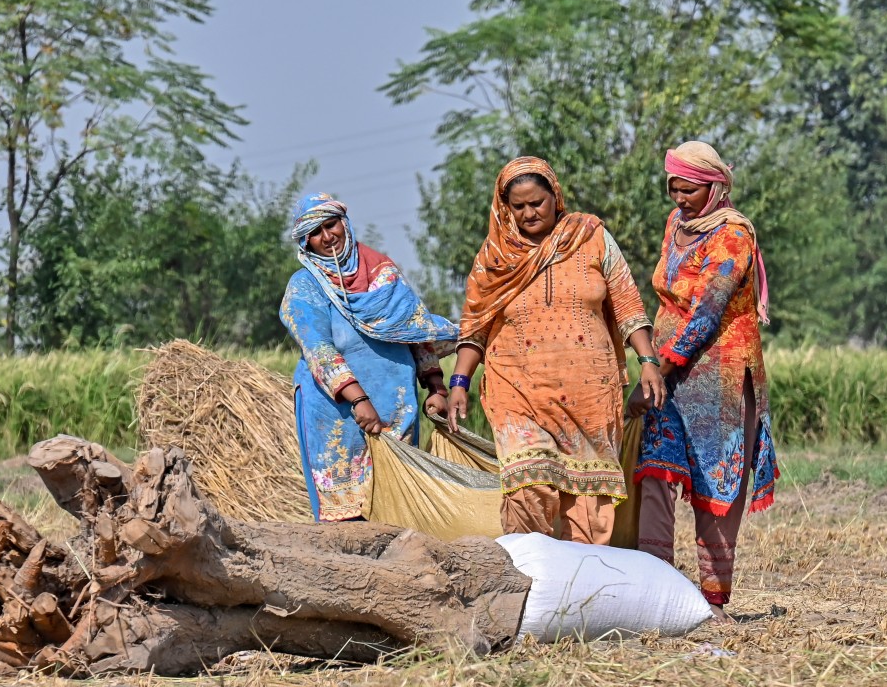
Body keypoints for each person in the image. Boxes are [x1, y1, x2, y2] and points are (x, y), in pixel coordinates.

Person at [447, 157, 666, 544]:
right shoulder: (494, 258)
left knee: (588, 505)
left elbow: (629, 304)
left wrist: (648, 361)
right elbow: (475, 327)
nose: (529, 213)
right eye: (519, 206)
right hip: (518, 391)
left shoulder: (592, 237)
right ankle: (528, 582)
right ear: (506, 208)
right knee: (529, 486)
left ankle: (582, 593)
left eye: (538, 203)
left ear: (556, 197)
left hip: (590, 396)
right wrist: (460, 383)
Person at [628, 140, 780, 624]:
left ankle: (712, 604)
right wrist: (652, 364)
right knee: (656, 470)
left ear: (715, 186)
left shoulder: (733, 234)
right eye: (673, 189)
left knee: (717, 485)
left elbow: (708, 312)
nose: (679, 199)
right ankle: (655, 592)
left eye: (689, 189)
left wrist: (660, 367)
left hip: (719, 379)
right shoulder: (677, 225)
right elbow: (667, 301)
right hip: (668, 373)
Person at [280, 192, 458, 522]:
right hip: (335, 411)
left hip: (395, 403)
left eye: (330, 225)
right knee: (348, 516)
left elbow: (412, 331)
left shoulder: (384, 274)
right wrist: (358, 399)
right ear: (306, 242)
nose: (327, 237)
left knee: (399, 510)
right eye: (316, 232)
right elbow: (319, 350)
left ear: (344, 223)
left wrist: (436, 387)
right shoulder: (304, 286)